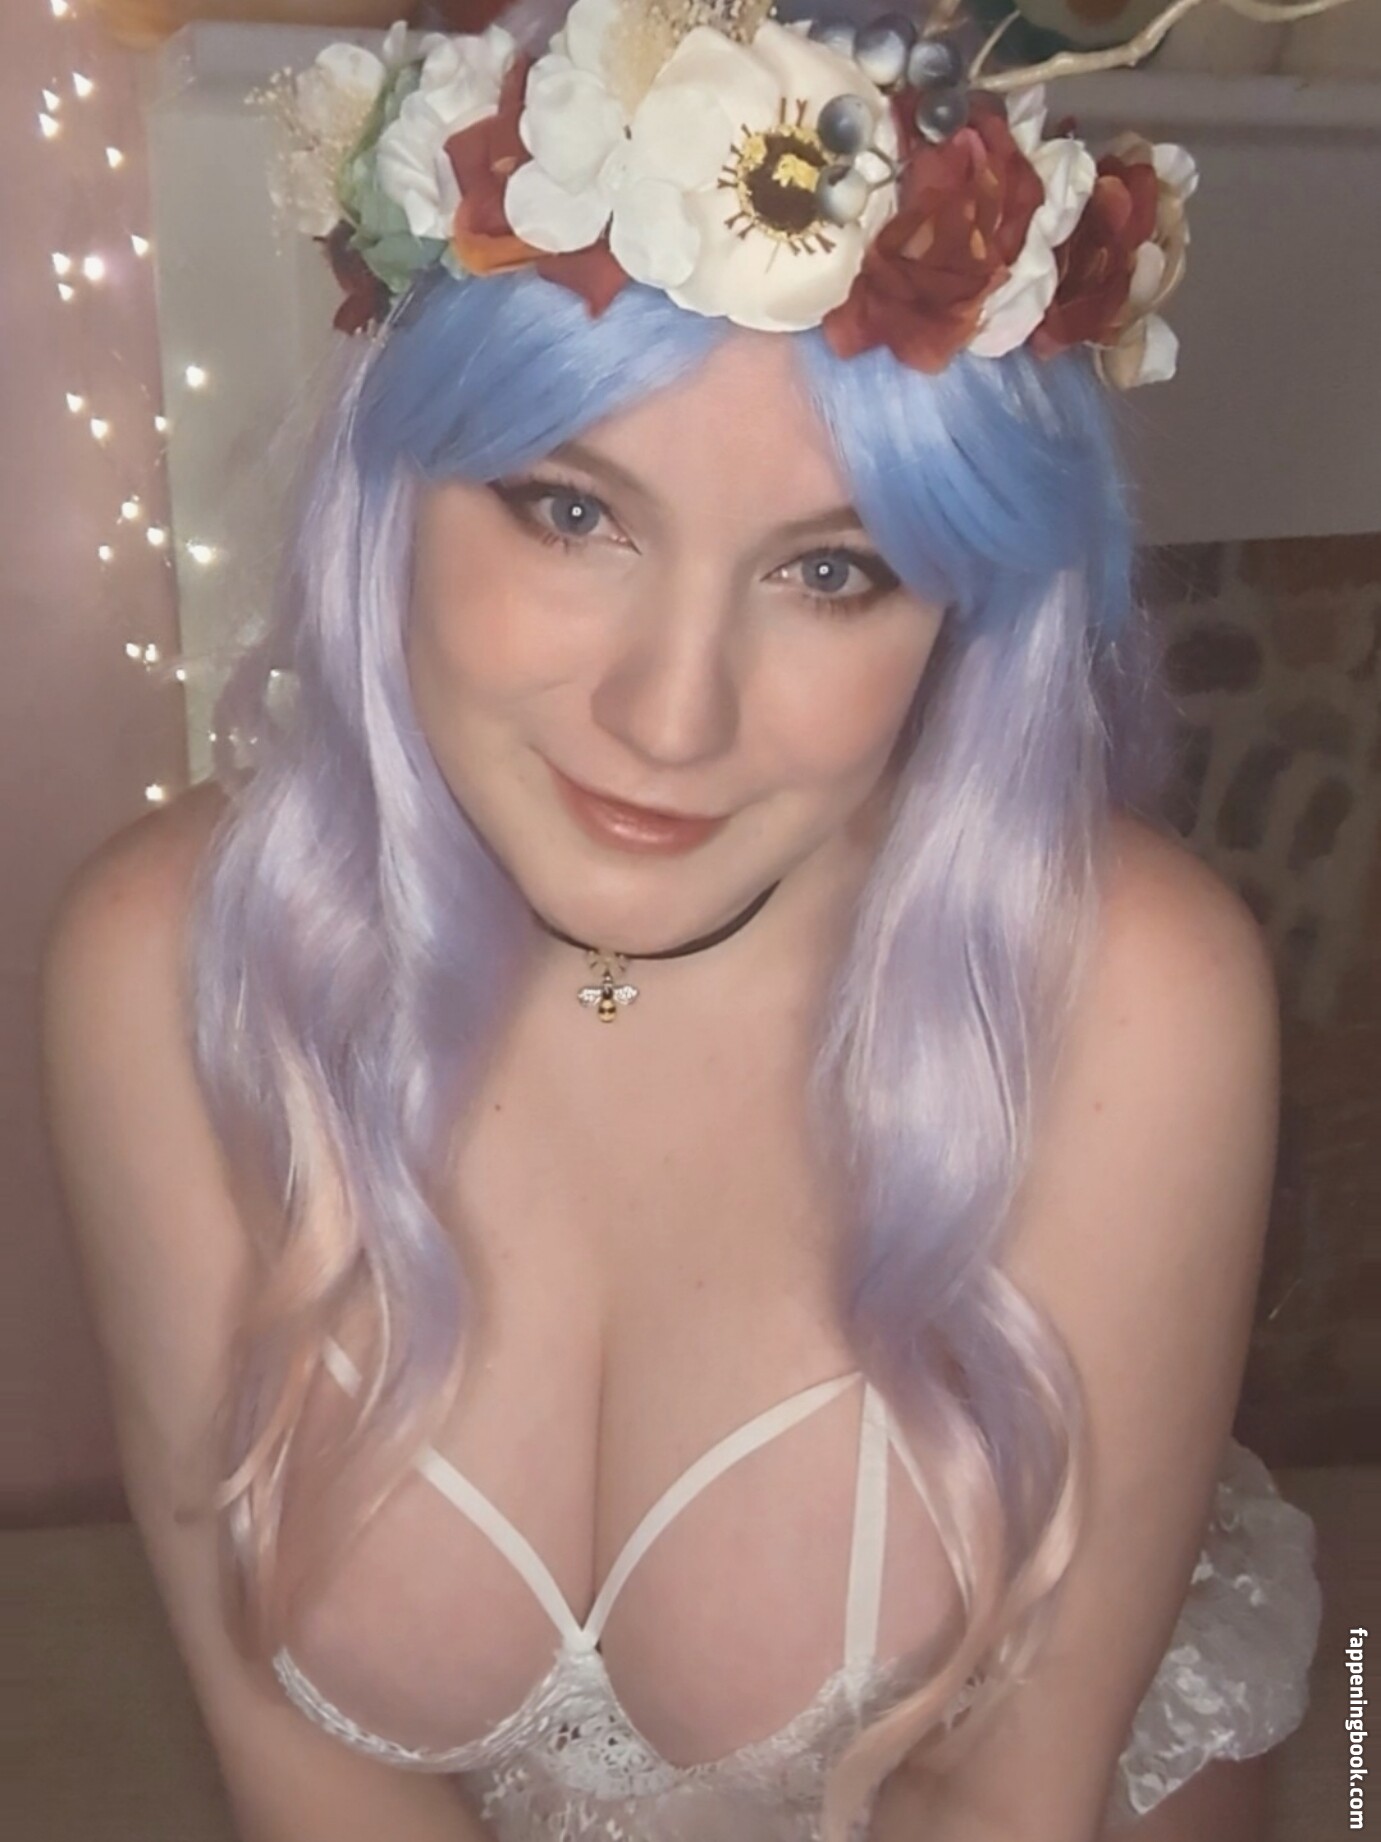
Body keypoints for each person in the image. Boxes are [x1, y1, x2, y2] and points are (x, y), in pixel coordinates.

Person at [41, 1, 1330, 1839]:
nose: (670, 719)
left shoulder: (1123, 1002)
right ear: (393, 483)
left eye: (831, 569)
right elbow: (306, 1770)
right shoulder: (162, 971)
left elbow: (1007, 1798)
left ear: (960, 605)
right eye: (572, 512)